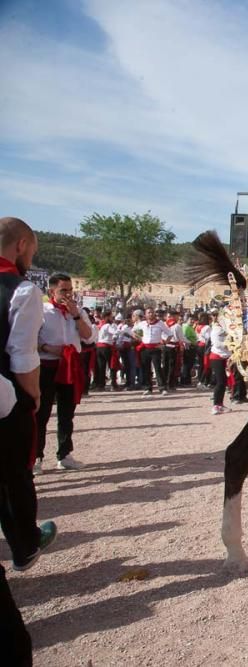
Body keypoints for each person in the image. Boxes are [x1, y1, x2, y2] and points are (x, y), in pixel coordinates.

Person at [0, 217, 58, 664]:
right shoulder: (21, 290)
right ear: (21, 246)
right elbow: (22, 353)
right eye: (32, 250)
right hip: (3, 396)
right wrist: (33, 394)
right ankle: (23, 543)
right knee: (14, 469)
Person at [35, 273, 95, 472]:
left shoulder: (78, 312)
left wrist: (76, 315)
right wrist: (47, 347)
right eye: (63, 290)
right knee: (41, 413)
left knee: (66, 413)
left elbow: (88, 337)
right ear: (52, 291)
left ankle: (64, 454)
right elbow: (28, 339)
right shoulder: (41, 311)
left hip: (71, 366)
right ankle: (36, 456)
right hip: (47, 365)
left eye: (70, 290)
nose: (68, 294)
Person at [134, 307, 173, 395]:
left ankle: (162, 387)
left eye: (152, 312)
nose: (150, 314)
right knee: (146, 368)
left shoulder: (160, 323)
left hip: (156, 348)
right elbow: (134, 331)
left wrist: (164, 344)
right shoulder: (142, 324)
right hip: (145, 348)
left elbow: (170, 334)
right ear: (145, 314)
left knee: (158, 368)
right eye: (148, 313)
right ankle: (147, 388)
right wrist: (140, 338)